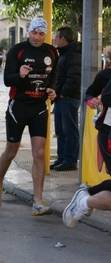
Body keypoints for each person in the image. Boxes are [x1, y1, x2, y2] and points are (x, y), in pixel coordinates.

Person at [0, 18, 58, 216]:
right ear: (29, 32)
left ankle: (37, 200)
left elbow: (54, 74)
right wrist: (19, 74)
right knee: (11, 151)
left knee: (39, 153)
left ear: (45, 35)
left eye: (41, 33)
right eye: (34, 32)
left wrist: (52, 90)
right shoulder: (17, 50)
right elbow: (7, 79)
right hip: (18, 107)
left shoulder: (52, 52)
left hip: (39, 107)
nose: (37, 37)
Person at [62, 66, 111, 228]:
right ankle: (84, 200)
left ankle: (87, 194)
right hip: (108, 133)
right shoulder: (106, 75)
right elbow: (90, 93)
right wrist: (93, 101)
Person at [51, 27, 82, 171]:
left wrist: (63, 93)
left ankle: (70, 160)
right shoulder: (64, 53)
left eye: (57, 36)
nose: (55, 39)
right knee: (61, 130)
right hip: (61, 97)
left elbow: (74, 77)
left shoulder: (73, 54)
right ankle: (62, 158)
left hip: (68, 98)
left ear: (63, 39)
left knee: (70, 130)